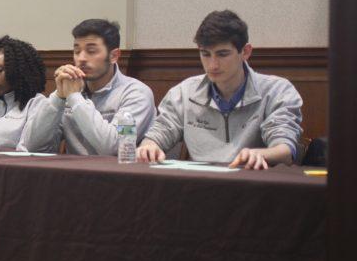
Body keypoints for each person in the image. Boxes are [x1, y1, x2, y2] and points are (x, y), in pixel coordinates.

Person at [137, 10, 302, 169]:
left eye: (222, 54)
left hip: (255, 188)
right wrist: (149, 146)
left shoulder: (277, 91)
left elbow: (285, 151)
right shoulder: (183, 93)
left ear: (245, 52)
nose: (213, 65)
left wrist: (262, 154)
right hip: (199, 188)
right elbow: (157, 136)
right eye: (205, 54)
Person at [19, 19, 155, 155]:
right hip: (72, 174)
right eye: (77, 51)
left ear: (114, 56)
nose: (81, 58)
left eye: (91, 51)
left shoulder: (136, 93)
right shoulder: (70, 90)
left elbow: (114, 148)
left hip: (118, 174)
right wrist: (58, 97)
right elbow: (32, 147)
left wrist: (75, 98)